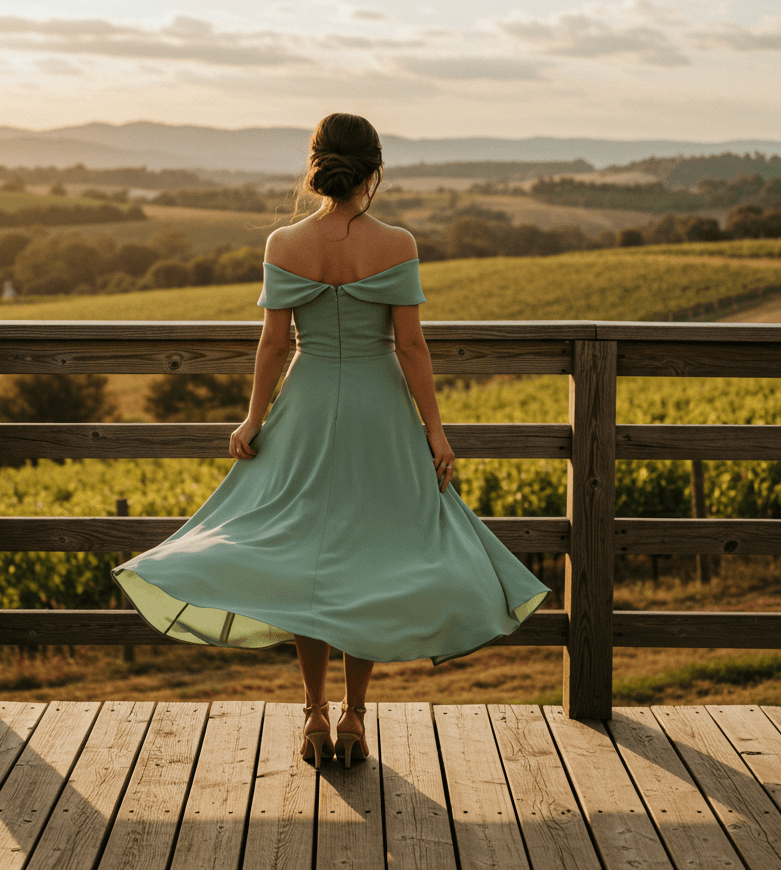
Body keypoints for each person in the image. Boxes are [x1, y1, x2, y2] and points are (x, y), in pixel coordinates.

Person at [112, 113, 549, 769]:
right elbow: (410, 346)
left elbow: (274, 343)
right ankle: (354, 717)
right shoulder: (397, 243)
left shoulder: (284, 241)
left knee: (306, 563)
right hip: (381, 415)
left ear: (315, 163)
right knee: (368, 561)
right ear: (374, 171)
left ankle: (313, 713)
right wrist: (434, 429)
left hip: (307, 409)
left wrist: (253, 418)